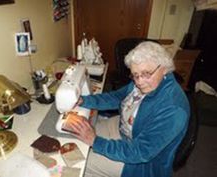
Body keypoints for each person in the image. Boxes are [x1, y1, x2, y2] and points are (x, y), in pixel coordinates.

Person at [68, 41, 190, 177]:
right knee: (76, 133)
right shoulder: (144, 83)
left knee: (79, 162)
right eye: (135, 75)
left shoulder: (173, 109)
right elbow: (117, 97)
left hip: (140, 164)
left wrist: (95, 141)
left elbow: (141, 152)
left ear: (165, 68)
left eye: (146, 73)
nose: (139, 81)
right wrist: (84, 100)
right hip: (126, 128)